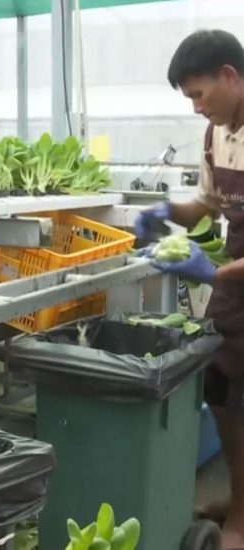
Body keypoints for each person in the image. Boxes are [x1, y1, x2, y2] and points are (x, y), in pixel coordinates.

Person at [136, 29, 244, 549]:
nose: (197, 108)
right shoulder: (216, 135)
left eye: (200, 94)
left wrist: (215, 273)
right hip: (236, 286)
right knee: (221, 390)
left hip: (235, 274)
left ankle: (242, 517)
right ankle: (239, 496)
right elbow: (206, 203)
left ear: (230, 75)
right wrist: (165, 213)